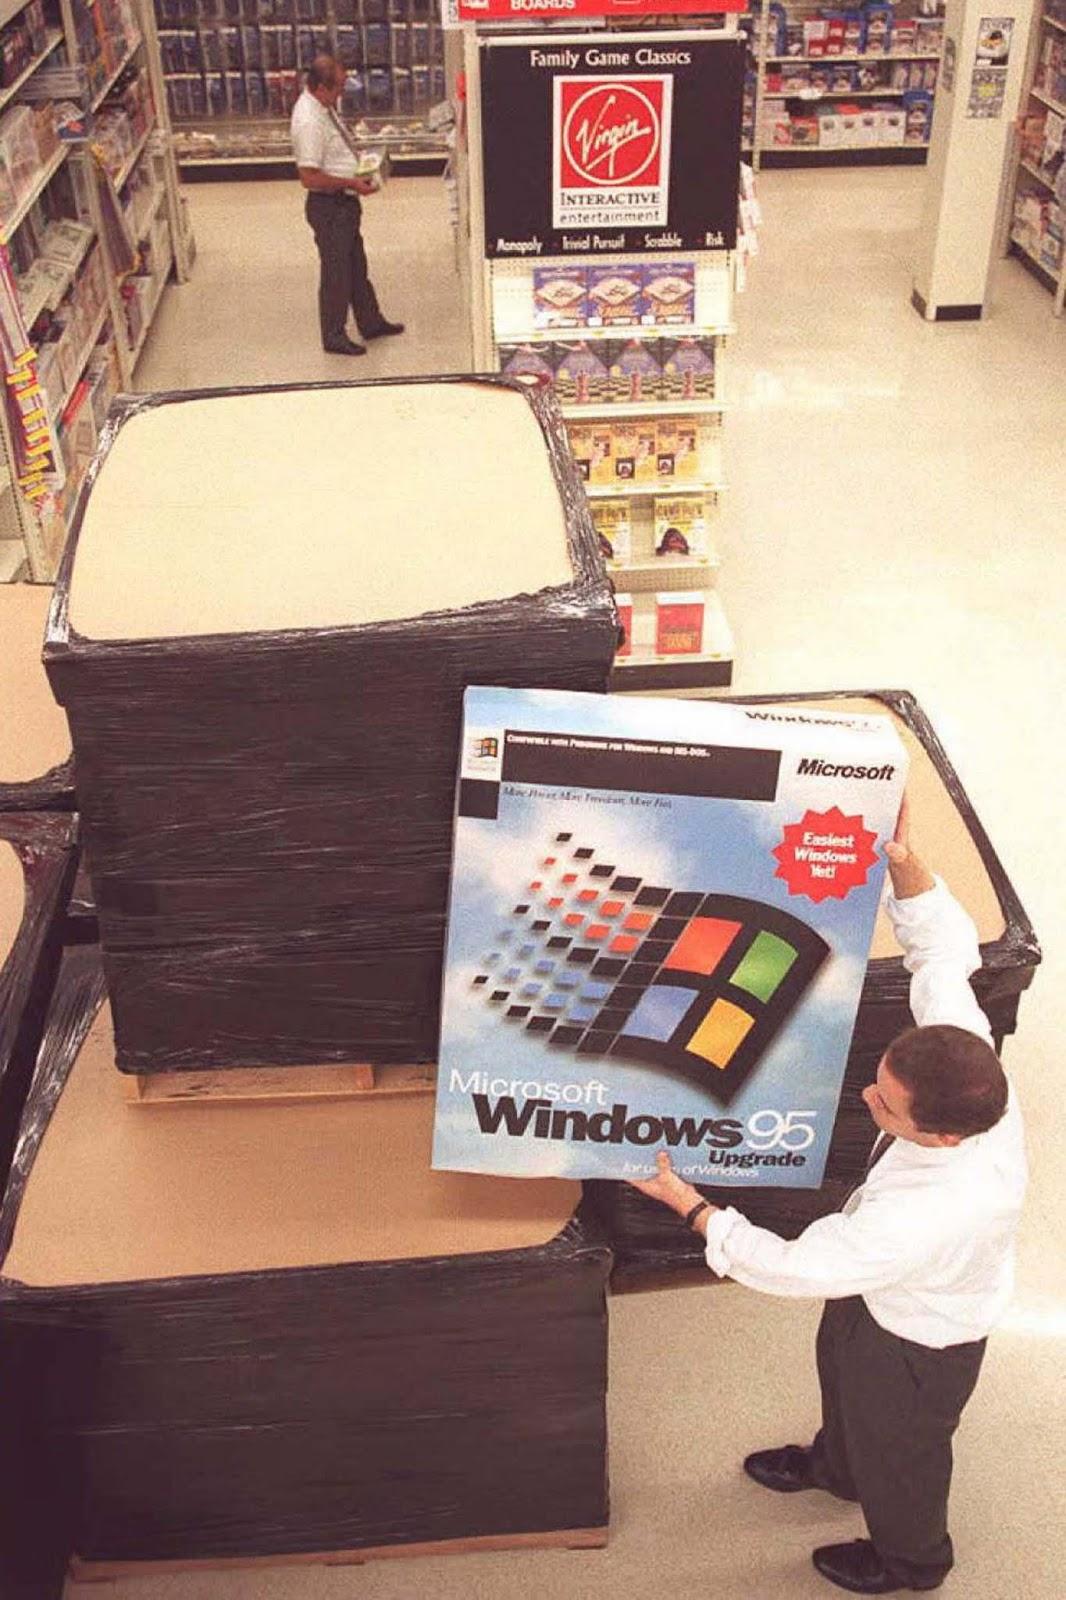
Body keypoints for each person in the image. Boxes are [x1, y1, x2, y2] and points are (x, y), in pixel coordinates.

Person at [629, 799, 1027, 1596]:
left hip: (922, 1339)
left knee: (903, 1450)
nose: (867, 1101)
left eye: (885, 1105)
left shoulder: (923, 1216)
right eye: (880, 1081)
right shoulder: (965, 1059)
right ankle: (836, 1466)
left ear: (943, 1136)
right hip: (879, 1298)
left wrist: (687, 1203)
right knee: (842, 1381)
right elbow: (944, 958)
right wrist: (906, 864)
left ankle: (911, 1561)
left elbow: (788, 1268)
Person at [290, 56, 404, 356]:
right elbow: (308, 176)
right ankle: (333, 335)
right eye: (338, 88)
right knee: (336, 272)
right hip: (329, 207)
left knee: (355, 264)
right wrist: (352, 183)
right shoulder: (308, 121)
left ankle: (371, 322)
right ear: (320, 87)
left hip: (343, 204)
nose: (342, 93)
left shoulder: (323, 108)